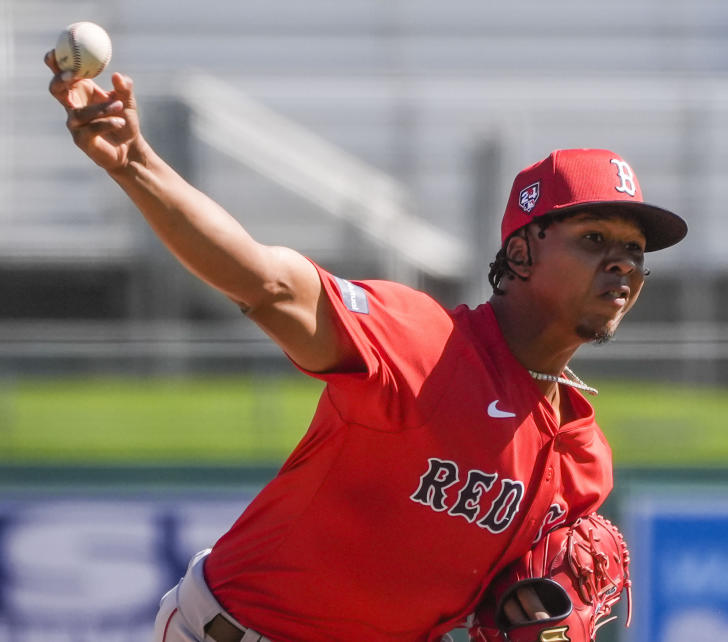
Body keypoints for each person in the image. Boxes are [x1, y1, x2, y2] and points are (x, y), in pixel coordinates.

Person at [44, 52, 686, 642]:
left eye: (634, 250)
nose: (622, 264)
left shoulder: (581, 458)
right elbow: (266, 282)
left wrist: (535, 609)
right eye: (595, 238)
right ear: (521, 250)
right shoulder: (424, 346)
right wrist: (136, 164)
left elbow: (515, 605)